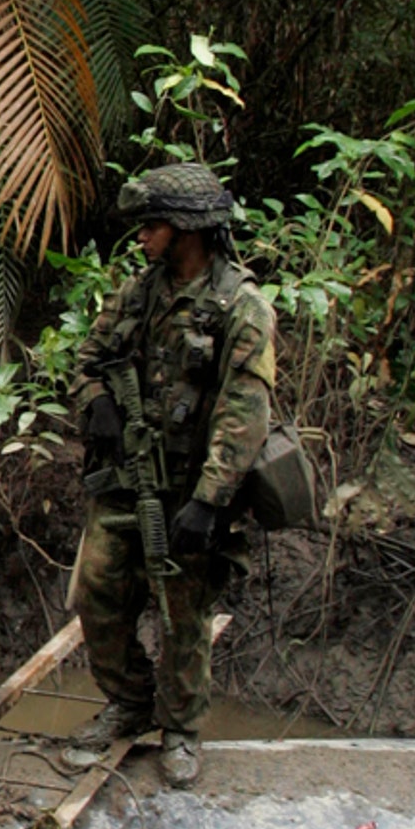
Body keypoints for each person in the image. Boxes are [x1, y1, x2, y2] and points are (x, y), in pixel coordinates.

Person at [64, 163, 277, 788]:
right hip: (128, 478)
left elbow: (245, 412)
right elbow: (89, 360)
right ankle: (130, 703)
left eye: (152, 225)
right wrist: (97, 398)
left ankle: (180, 727)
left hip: (190, 489)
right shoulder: (140, 292)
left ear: (189, 230)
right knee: (96, 594)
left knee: (184, 613)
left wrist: (210, 502)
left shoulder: (242, 307)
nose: (143, 237)